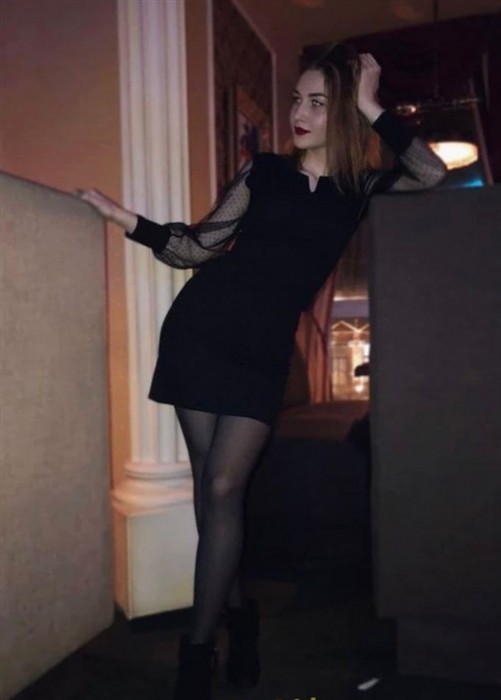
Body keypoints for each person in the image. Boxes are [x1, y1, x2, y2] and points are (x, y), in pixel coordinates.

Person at [77, 45, 446, 700]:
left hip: (262, 351)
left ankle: (206, 644)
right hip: (200, 332)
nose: (299, 113)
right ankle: (225, 628)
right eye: (296, 100)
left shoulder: (358, 189)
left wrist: (370, 103)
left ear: (342, 113)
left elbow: (430, 171)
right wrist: (121, 216)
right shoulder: (264, 171)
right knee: (211, 490)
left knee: (223, 486)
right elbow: (196, 247)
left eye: (317, 103)